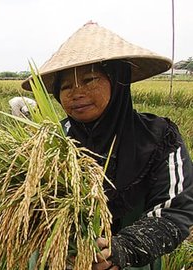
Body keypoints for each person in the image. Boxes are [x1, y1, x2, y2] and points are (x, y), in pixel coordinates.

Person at [22, 21, 193, 269]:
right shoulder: (49, 141)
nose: (76, 93)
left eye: (90, 79)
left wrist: (124, 248)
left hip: (131, 262)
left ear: (118, 81)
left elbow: (175, 209)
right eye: (66, 86)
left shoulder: (159, 137)